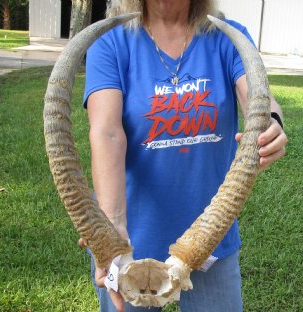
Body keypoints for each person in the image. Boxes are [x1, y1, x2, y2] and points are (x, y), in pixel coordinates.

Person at [82, 1, 288, 311]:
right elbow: (107, 132)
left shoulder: (228, 38)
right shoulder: (111, 42)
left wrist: (273, 123)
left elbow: (260, 100)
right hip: (128, 248)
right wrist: (113, 230)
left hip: (210, 240)